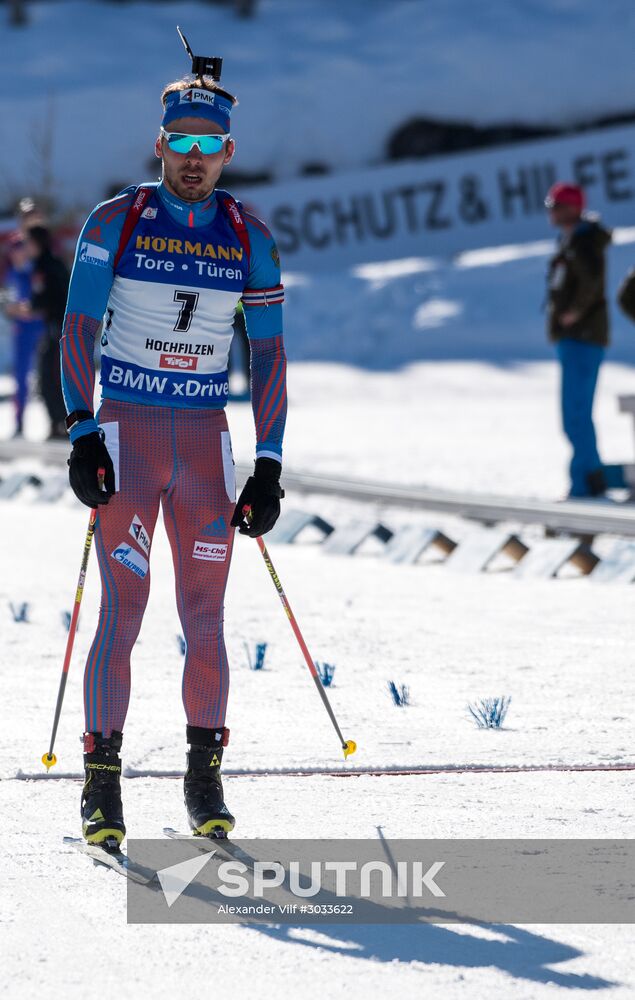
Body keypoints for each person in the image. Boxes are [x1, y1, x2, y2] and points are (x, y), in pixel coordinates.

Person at [60, 62, 287, 847]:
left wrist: (269, 463)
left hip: (203, 443)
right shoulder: (115, 221)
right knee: (122, 613)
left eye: (211, 143)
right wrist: (82, 432)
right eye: (182, 141)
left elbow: (269, 356)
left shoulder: (248, 236)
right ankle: (101, 784)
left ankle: (203, 780)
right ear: (161, 144)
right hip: (128, 435)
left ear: (228, 152)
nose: (195, 156)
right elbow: (78, 333)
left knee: (207, 616)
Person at [545, 182, 611, 498]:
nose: (551, 212)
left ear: (572, 208)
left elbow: (591, 282)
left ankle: (586, 483)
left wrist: (573, 312)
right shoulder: (572, 241)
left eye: (556, 206)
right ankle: (589, 477)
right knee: (574, 414)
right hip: (575, 339)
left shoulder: (584, 243)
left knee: (576, 413)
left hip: (583, 338)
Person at [25, 225, 70, 439]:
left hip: (57, 329)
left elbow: (46, 297)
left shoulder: (45, 266)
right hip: (55, 327)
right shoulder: (52, 262)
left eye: (29, 242)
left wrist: (27, 307)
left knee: (52, 377)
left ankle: (61, 423)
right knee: (48, 377)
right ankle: (56, 422)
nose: (27, 247)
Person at [2, 232, 45, 436]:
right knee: (20, 376)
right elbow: (9, 308)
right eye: (13, 249)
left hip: (40, 329)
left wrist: (28, 310)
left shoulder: (36, 271)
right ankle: (19, 421)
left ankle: (56, 421)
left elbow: (43, 304)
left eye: (19, 249)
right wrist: (21, 311)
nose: (16, 253)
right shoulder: (11, 275)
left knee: (46, 376)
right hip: (21, 331)